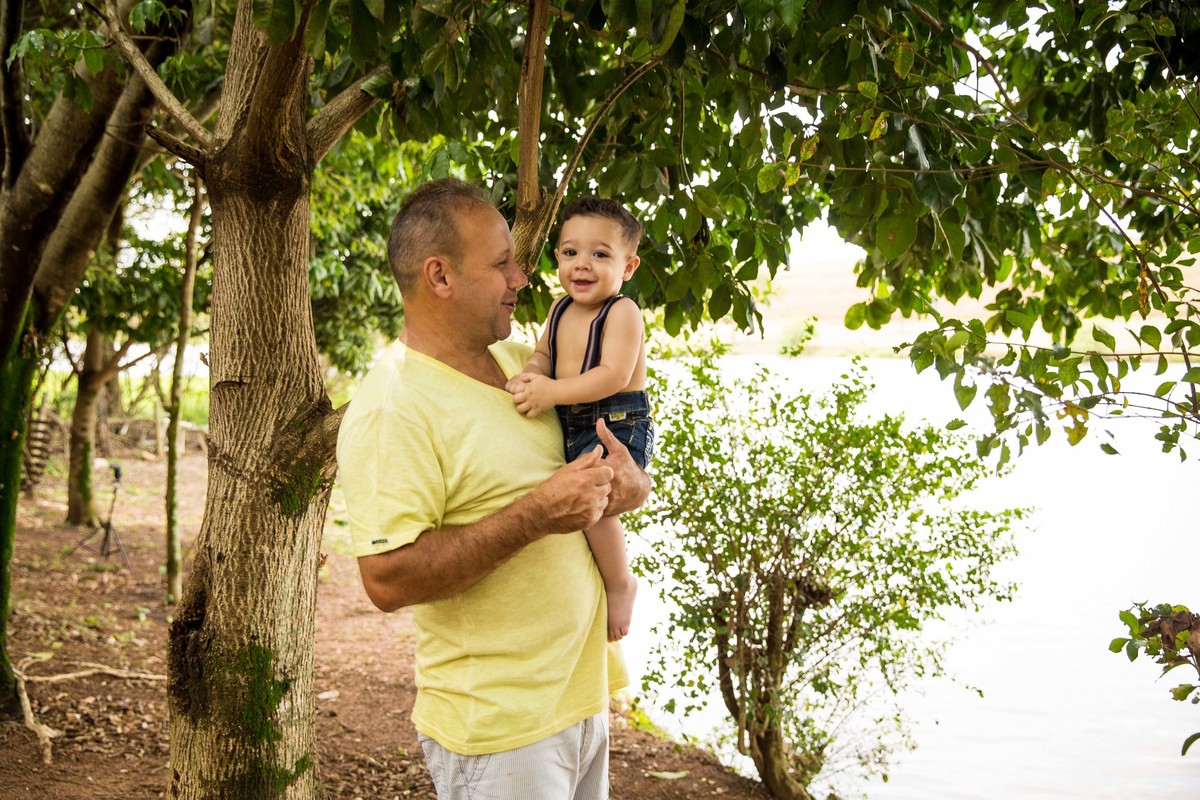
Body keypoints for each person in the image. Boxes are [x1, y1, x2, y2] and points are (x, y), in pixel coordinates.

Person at [336, 178, 650, 800]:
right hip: (504, 732)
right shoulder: (394, 406)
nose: (521, 278)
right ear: (441, 276)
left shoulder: (519, 365)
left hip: (580, 700)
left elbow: (609, 453)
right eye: (502, 263)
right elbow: (387, 580)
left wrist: (630, 485)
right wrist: (536, 514)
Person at [505, 198, 651, 642]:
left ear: (628, 267)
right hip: (572, 418)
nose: (582, 264)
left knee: (594, 504)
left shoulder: (622, 312)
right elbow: (543, 354)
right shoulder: (559, 308)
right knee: (569, 497)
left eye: (600, 254)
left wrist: (551, 392)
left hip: (616, 421)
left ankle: (620, 583)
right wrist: (533, 374)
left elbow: (613, 375)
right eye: (570, 252)